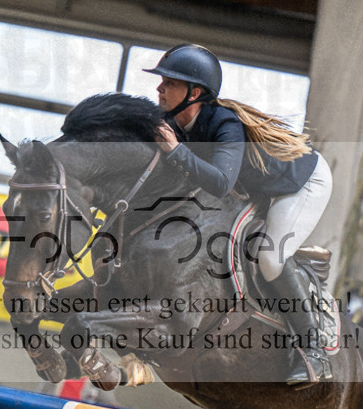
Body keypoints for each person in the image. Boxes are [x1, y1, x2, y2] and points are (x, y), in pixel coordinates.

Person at [143, 43, 334, 386]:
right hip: (259, 187)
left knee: (270, 258)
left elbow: (219, 182)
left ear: (194, 93)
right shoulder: (171, 120)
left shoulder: (224, 124)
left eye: (169, 82)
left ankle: (314, 351)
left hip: (301, 183)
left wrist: (174, 151)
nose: (159, 88)